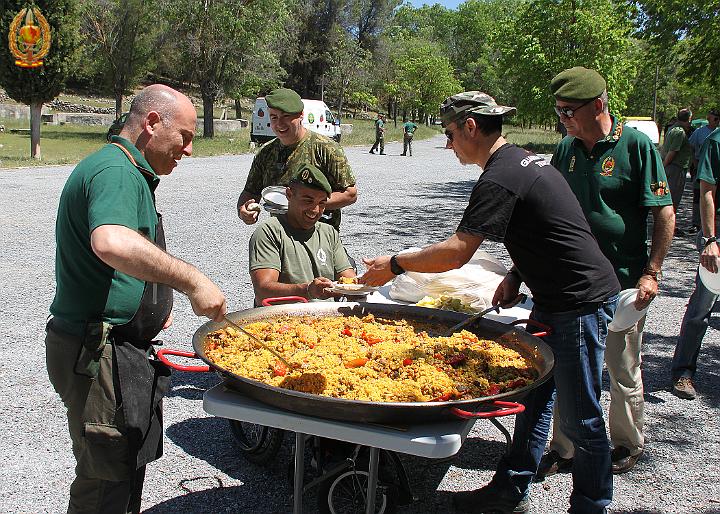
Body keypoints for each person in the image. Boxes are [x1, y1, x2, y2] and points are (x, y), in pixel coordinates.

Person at [361, 91, 620, 514]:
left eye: (449, 134)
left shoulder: (500, 176)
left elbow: (458, 251)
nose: (447, 145)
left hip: (579, 302)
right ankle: (508, 491)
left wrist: (394, 264)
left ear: (470, 127)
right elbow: (551, 228)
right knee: (536, 398)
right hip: (554, 296)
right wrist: (518, 275)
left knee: (583, 419)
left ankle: (591, 505)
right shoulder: (523, 160)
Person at [46, 84, 227, 514]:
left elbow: (118, 263)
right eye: (184, 136)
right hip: (96, 350)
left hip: (118, 344)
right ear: (151, 123)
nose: (187, 150)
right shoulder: (117, 171)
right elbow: (112, 242)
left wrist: (148, 305)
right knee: (105, 482)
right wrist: (192, 281)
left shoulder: (128, 169)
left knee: (124, 467)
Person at [535, 67, 675, 479]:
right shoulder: (566, 149)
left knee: (621, 367)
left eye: (568, 111)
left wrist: (652, 272)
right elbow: (548, 211)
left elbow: (663, 213)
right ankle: (564, 447)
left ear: (597, 105)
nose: (563, 119)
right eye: (558, 112)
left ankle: (626, 443)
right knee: (568, 367)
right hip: (572, 284)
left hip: (623, 281)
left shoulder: (635, 146)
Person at [237, 88, 357, 231]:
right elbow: (250, 192)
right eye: (274, 117)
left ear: (301, 115)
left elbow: (350, 194)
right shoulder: (266, 152)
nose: (279, 124)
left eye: (286, 116)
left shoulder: (326, 148)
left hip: (320, 235)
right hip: (281, 235)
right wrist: (243, 211)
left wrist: (308, 204)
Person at [249, 163, 356, 305]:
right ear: (289, 195)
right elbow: (263, 290)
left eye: (322, 203)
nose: (315, 210)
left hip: (326, 320)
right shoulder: (269, 231)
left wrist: (366, 281)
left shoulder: (329, 233)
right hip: (280, 320)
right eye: (308, 201)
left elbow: (349, 280)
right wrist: (307, 290)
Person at [671, 125, 720, 400]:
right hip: (718, 236)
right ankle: (684, 372)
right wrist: (710, 239)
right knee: (703, 306)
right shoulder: (716, 141)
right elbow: (707, 192)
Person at [687, 108, 720, 233]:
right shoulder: (701, 132)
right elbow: (691, 147)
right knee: (699, 194)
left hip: (712, 167)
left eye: (718, 118)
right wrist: (694, 163)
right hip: (702, 167)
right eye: (714, 118)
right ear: (708, 119)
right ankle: (696, 222)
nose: (716, 121)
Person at [661, 108, 693, 213]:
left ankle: (672, 226)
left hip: (671, 167)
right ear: (688, 119)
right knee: (673, 200)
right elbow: (672, 151)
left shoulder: (672, 129)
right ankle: (670, 227)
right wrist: (664, 166)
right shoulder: (679, 132)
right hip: (676, 169)